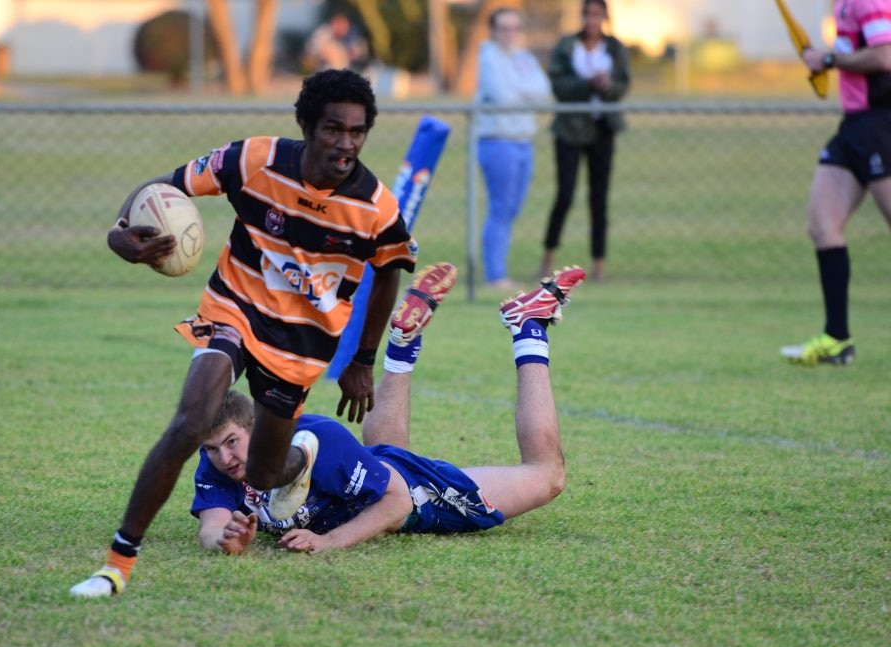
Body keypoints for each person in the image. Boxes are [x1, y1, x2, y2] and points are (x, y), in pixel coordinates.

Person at [70, 69, 418, 597]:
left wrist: (363, 360)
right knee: (191, 421)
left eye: (356, 131)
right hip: (234, 308)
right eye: (332, 129)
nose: (345, 143)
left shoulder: (376, 207)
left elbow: (391, 269)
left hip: (301, 345)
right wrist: (121, 231)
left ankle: (302, 459)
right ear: (305, 124)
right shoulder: (254, 160)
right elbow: (162, 187)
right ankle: (117, 564)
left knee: (266, 470)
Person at [192, 264, 586, 555]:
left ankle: (528, 328)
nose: (224, 457)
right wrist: (226, 539)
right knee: (384, 457)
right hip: (380, 474)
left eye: (231, 442)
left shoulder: (315, 442)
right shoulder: (218, 460)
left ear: (256, 427)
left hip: (419, 498)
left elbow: (397, 503)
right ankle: (401, 346)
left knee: (547, 475)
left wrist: (328, 542)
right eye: (211, 448)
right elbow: (211, 527)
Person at [780, 0, 891, 366]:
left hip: (881, 125)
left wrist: (829, 60)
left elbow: (885, 56)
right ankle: (837, 339)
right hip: (854, 128)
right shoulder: (842, 3)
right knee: (822, 225)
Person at [538, 0, 630, 283]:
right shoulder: (567, 46)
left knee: (598, 198)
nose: (592, 19)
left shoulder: (614, 47)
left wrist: (606, 86)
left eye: (597, 14)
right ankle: (548, 259)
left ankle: (599, 264)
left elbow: (623, 85)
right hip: (570, 130)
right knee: (565, 195)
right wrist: (587, 83)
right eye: (588, 13)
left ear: (604, 16)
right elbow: (558, 85)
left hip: (602, 129)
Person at [475, 7, 552, 291]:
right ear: (493, 30)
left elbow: (543, 91)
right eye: (504, 28)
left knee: (513, 208)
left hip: (523, 141)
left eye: (515, 28)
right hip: (498, 140)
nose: (510, 34)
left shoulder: (524, 58)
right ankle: (495, 274)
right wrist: (523, 91)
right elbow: (501, 95)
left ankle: (499, 270)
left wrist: (518, 89)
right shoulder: (488, 57)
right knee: (500, 208)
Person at [303, 12, 370, 73]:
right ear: (334, 24)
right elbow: (311, 49)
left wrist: (352, 54)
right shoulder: (324, 33)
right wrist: (322, 53)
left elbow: (361, 53)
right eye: (341, 26)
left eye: (345, 27)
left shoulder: (353, 34)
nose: (344, 29)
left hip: (347, 71)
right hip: (325, 70)